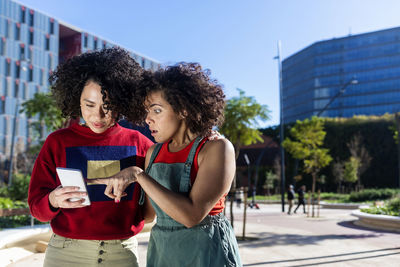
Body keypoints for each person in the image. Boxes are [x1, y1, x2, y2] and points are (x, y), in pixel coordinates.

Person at [94, 63, 242, 266]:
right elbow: (147, 215)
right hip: (163, 252)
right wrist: (97, 197)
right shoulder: (153, 153)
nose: (147, 119)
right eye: (147, 111)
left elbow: (191, 216)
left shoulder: (216, 148)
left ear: (183, 109)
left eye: (156, 110)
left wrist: (139, 175)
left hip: (206, 252)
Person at [28, 47, 154, 267]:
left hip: (121, 254)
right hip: (65, 255)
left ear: (122, 104)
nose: (98, 116)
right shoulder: (57, 142)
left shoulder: (142, 144)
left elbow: (160, 197)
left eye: (108, 106)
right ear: (76, 99)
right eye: (89, 105)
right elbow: (37, 208)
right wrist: (53, 200)